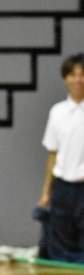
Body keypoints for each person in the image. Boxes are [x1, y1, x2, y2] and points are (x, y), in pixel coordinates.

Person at [36, 53, 84, 263]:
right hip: (63, 187)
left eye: (82, 75)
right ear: (66, 78)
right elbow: (53, 153)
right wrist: (46, 193)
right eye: (73, 75)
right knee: (59, 243)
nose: (78, 80)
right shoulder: (57, 112)